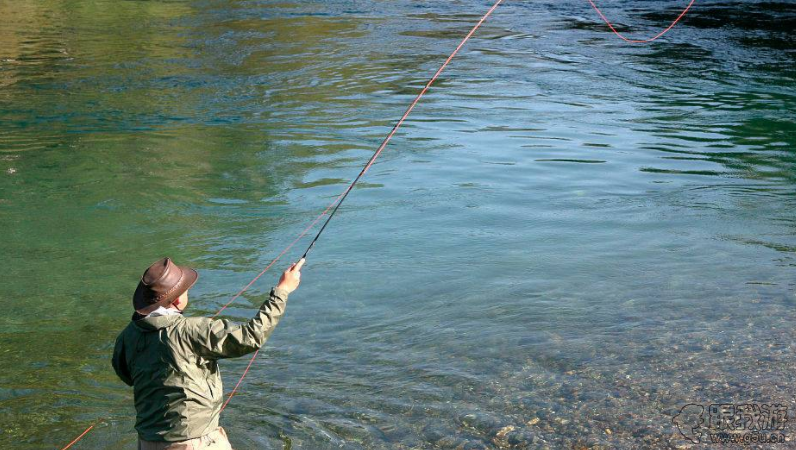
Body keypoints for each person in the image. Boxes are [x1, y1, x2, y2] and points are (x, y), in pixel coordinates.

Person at [112, 257, 304, 450]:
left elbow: (125, 374)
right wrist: (282, 291)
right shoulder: (193, 330)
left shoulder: (126, 337)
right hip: (194, 443)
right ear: (178, 299)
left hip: (146, 442)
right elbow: (251, 336)